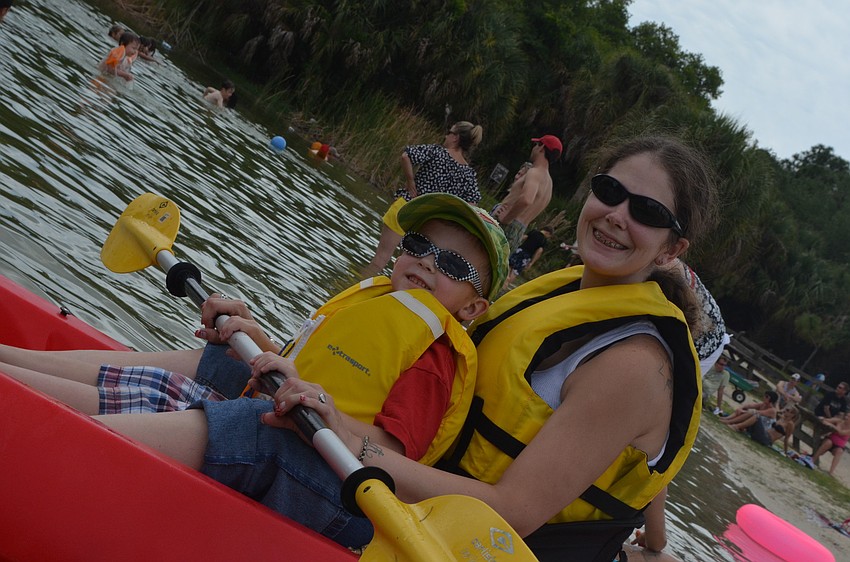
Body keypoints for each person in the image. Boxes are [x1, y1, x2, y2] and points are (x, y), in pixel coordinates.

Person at [90, 136, 717, 561]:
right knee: (232, 361)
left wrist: (337, 428)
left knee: (268, 429)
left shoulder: (635, 366)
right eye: (611, 190)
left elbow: (512, 513)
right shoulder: (565, 295)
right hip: (414, 483)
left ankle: (69, 438)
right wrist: (278, 346)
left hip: (446, 539)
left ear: (671, 248)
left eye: (647, 210)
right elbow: (634, 471)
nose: (616, 214)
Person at [0, 193, 508, 462]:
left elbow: (393, 452)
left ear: (471, 309)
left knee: (193, 405)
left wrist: (320, 408)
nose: (426, 262)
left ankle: (33, 431)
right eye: (419, 245)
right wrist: (254, 336)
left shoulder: (434, 359)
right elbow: (304, 362)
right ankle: (13, 366)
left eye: (453, 265)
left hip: (311, 462)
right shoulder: (380, 306)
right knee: (199, 368)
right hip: (271, 413)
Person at [361, 121, 483, 277]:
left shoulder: (437, 151)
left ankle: (349, 292)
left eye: (449, 132)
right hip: (428, 225)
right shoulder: (469, 174)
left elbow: (406, 155)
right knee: (402, 270)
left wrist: (410, 181)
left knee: (379, 260)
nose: (445, 135)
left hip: (407, 208)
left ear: (456, 138)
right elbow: (472, 205)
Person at [492, 135, 562, 251]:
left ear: (541, 148)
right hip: (519, 230)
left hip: (507, 224)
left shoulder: (535, 173)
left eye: (536, 145)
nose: (533, 148)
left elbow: (526, 199)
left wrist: (506, 218)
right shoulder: (549, 184)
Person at [811, 412, 850, 477]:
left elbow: (841, 432)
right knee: (828, 443)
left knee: (840, 451)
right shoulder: (839, 421)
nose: (846, 418)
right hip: (831, 439)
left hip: (839, 445)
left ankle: (831, 472)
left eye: (849, 417)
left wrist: (832, 425)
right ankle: (813, 459)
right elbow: (825, 420)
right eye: (847, 416)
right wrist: (826, 421)